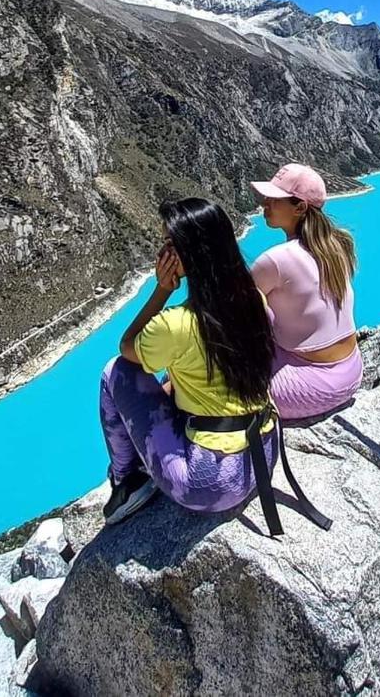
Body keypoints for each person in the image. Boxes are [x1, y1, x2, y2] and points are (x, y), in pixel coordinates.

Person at [100, 197, 281, 529]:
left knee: (116, 371)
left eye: (170, 244)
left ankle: (128, 481)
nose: (162, 252)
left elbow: (126, 347)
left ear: (190, 253)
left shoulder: (176, 325)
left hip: (210, 485)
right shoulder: (254, 299)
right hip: (264, 455)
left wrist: (161, 291)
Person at [249, 163, 363, 423]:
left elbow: (232, 314)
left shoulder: (276, 260)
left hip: (310, 389)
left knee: (203, 369)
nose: (265, 203)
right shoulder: (338, 245)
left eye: (274, 199)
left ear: (300, 208)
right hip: (352, 372)